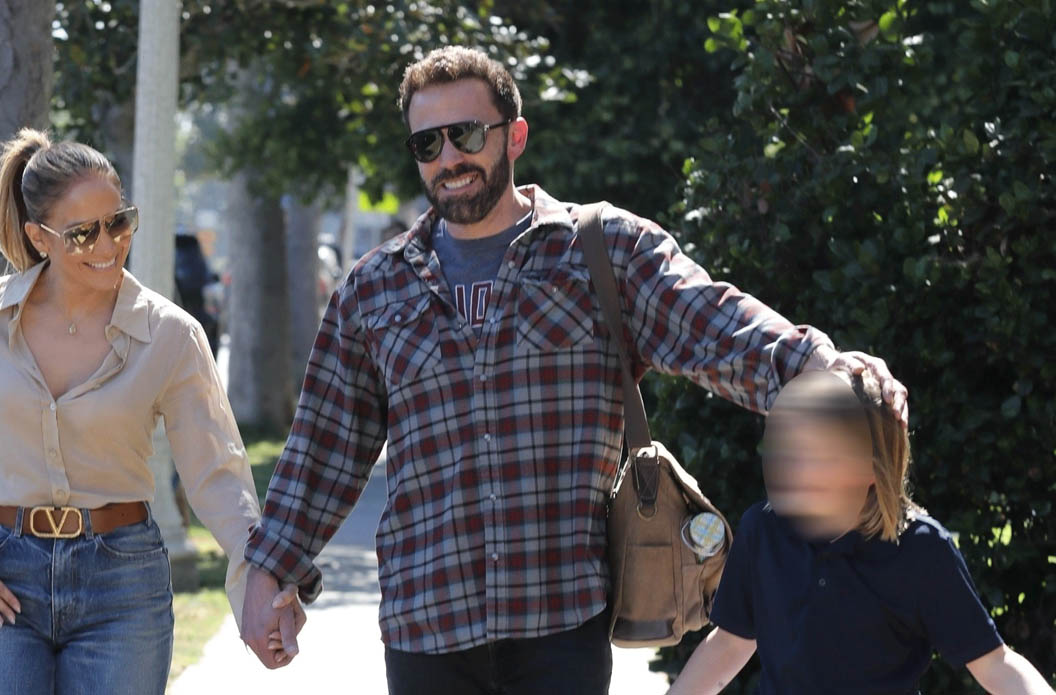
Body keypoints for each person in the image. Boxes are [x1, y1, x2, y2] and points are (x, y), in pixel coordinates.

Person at [240, 46, 908, 692]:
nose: (449, 158)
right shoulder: (374, 289)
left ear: (515, 135)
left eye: (466, 134)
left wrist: (825, 368)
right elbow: (323, 446)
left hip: (562, 626)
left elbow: (715, 325)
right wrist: (269, 571)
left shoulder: (601, 251)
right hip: (426, 628)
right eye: (427, 144)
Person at [0, 128, 301, 693]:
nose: (108, 245)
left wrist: (258, 582)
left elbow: (218, 475)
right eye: (82, 233)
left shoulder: (171, 334)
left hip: (123, 584)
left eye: (118, 222)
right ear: (38, 237)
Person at [668, 370, 1053, 694]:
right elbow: (730, 643)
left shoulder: (921, 550)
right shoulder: (762, 531)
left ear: (873, 467)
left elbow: (994, 663)